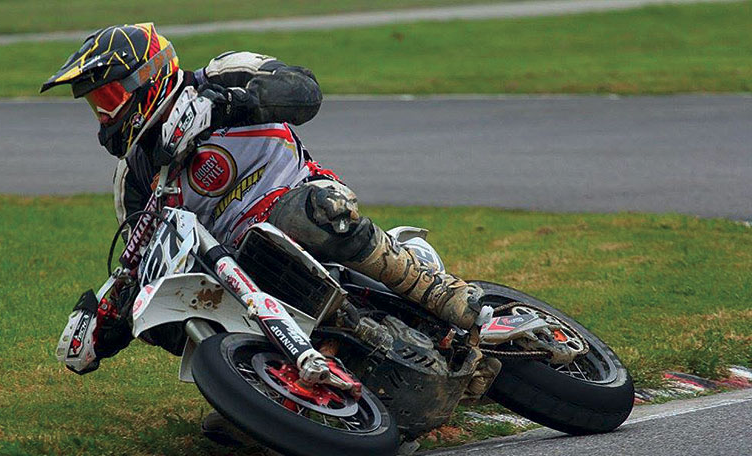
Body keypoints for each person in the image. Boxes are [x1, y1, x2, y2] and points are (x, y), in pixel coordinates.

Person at [41, 23, 483, 378]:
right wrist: (106, 321)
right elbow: (151, 264)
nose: (105, 116)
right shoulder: (132, 179)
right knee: (161, 316)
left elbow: (305, 91)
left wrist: (228, 105)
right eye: (96, 105)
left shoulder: (221, 72)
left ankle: (435, 289)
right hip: (238, 267)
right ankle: (259, 388)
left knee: (303, 217)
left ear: (148, 77)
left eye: (110, 98)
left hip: (298, 198)